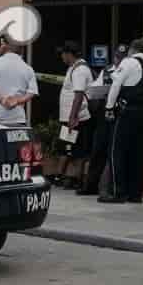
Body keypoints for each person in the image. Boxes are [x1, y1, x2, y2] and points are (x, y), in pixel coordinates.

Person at [106, 39, 143, 203]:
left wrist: (109, 107)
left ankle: (117, 192)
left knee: (117, 152)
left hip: (127, 113)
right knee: (138, 155)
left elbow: (116, 84)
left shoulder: (129, 62)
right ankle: (135, 194)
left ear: (133, 50)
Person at [80, 47, 122, 198]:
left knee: (113, 151)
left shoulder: (127, 71)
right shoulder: (107, 70)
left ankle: (110, 188)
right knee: (97, 150)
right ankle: (90, 185)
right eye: (117, 57)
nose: (118, 60)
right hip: (103, 115)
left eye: (121, 57)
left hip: (118, 115)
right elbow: (93, 87)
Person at [52, 42, 94, 188]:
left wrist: (72, 117)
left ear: (69, 54)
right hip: (69, 117)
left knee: (77, 150)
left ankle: (76, 179)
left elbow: (79, 95)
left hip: (77, 118)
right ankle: (61, 176)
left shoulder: (80, 70)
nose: (62, 56)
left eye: (63, 53)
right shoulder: (73, 68)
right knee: (66, 147)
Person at [0, 36, 37, 125]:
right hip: (18, 119)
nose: (1, 44)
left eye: (2, 42)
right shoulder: (28, 68)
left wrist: (2, 100)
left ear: (6, 45)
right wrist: (17, 101)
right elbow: (32, 92)